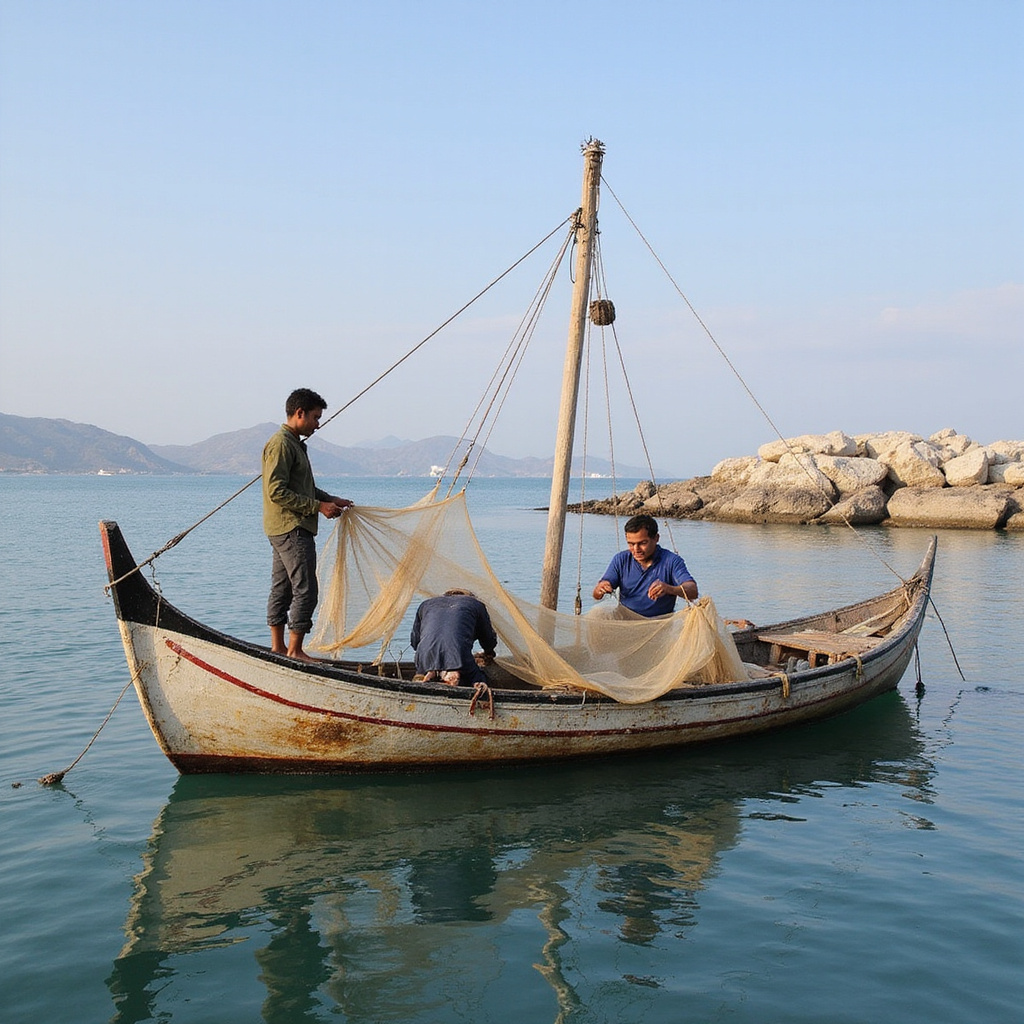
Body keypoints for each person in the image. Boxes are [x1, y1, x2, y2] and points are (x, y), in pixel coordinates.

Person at [263, 388, 353, 660]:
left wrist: (330, 499)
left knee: (283, 588)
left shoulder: (294, 444)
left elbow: (305, 488)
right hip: (292, 528)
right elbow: (276, 491)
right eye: (315, 417)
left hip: (282, 528)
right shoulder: (282, 444)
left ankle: (278, 648)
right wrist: (318, 507)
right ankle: (295, 650)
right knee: (306, 589)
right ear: (299, 413)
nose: (318, 423)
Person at [592, 514, 698, 617]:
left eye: (642, 543)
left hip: (659, 623)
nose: (636, 549)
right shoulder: (621, 559)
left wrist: (669, 589)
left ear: (656, 538)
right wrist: (601, 588)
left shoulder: (671, 561)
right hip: (625, 619)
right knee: (597, 613)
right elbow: (597, 595)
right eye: (631, 544)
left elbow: (693, 591)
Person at [410, 589, 498, 686]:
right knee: (479, 679)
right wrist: (489, 653)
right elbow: (488, 640)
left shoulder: (425, 604)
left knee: (423, 674)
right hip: (458, 656)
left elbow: (415, 643)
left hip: (424, 657)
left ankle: (432, 674)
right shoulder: (476, 604)